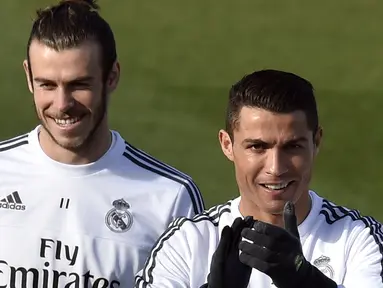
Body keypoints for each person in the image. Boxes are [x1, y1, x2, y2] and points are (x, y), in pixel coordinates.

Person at [0, 0, 205, 287]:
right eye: (47, 84)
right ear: (28, 77)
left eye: (79, 85)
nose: (62, 105)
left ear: (112, 77)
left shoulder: (170, 198)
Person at [135, 69, 383, 288]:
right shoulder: (187, 243)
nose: (275, 168)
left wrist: (306, 282)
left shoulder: (359, 240)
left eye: (292, 146)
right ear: (227, 145)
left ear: (316, 142)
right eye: (257, 147)